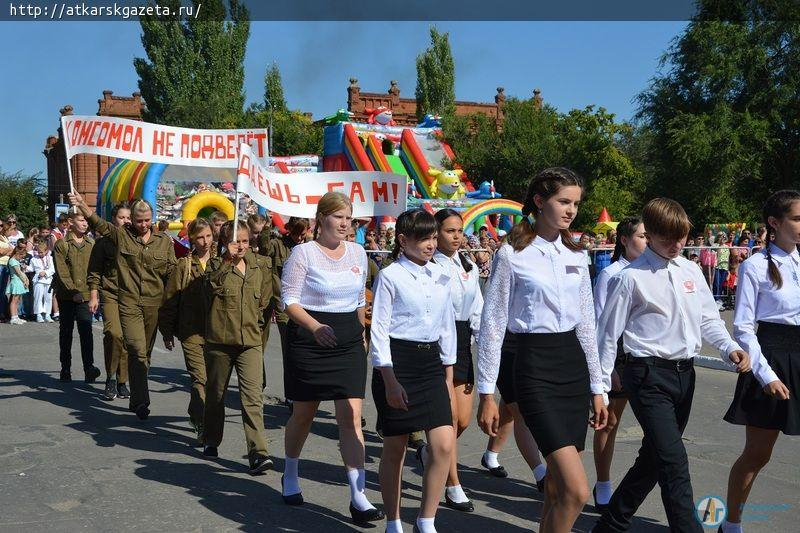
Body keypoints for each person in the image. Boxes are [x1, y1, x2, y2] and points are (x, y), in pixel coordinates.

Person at [593, 198, 751, 533]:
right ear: (648, 234)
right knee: (674, 463)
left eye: (682, 237)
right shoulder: (629, 278)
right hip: (646, 375)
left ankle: (611, 524)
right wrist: (601, 388)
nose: (677, 245)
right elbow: (607, 336)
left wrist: (729, 348)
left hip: (685, 375)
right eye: (668, 238)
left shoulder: (691, 269)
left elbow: (709, 320)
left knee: (654, 458)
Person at [477, 167, 607, 533]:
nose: (570, 210)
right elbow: (492, 324)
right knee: (577, 490)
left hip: (573, 366)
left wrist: (598, 388)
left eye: (575, 204)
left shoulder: (576, 253)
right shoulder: (512, 253)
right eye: (563, 201)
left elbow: (586, 323)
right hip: (533, 366)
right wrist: (487, 393)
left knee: (555, 487)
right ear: (539, 201)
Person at [279, 193, 383, 526]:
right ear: (321, 218)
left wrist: (362, 332)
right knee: (304, 415)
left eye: (349, 218)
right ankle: (291, 472)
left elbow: (357, 299)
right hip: (309, 338)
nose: (344, 224)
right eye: (338, 217)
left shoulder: (357, 252)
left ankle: (358, 495)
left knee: (352, 418)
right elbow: (290, 300)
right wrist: (313, 325)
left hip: (348, 341)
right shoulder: (303, 253)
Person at [370, 208, 456, 533]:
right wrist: (389, 378)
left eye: (434, 237)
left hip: (431, 362)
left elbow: (447, 325)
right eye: (424, 238)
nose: (431, 244)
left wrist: (448, 374)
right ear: (403, 240)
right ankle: (393, 520)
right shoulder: (389, 276)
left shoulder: (441, 275)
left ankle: (426, 519)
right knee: (396, 447)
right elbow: (378, 330)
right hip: (398, 362)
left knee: (444, 444)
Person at [719, 190, 800, 533]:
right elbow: (744, 328)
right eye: (796, 218)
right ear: (774, 222)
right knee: (757, 455)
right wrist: (765, 375)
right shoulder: (755, 266)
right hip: (773, 358)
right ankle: (731, 525)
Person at [68, 192, 176, 420]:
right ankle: (142, 400)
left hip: (153, 306)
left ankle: (135, 399)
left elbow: (172, 274)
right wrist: (83, 206)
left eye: (147, 220)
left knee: (144, 355)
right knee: (136, 350)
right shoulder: (121, 236)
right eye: (138, 221)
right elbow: (100, 225)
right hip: (128, 304)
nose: (143, 224)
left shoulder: (164, 241)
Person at [201, 220, 274, 474]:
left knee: (253, 398)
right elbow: (210, 287)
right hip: (220, 342)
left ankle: (258, 452)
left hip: (250, 342)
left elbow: (264, 302)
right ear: (224, 243)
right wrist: (226, 262)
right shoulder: (214, 265)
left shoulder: (259, 266)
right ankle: (211, 439)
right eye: (235, 242)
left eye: (244, 241)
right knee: (216, 394)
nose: (240, 246)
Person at [428, 209, 483, 512]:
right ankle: (453, 484)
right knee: (447, 419)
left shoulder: (470, 265)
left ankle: (432, 451)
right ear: (436, 232)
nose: (457, 236)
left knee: (462, 420)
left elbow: (477, 306)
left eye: (460, 230)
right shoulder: (430, 266)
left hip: (463, 339)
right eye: (450, 231)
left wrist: (482, 338)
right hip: (439, 340)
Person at [591, 216, 647, 511]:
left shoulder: (653, 269)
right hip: (619, 355)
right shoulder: (611, 274)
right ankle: (603, 483)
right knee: (609, 422)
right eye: (641, 236)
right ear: (624, 240)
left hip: (648, 356)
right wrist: (607, 366)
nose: (647, 241)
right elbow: (600, 322)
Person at [158, 218, 214, 442]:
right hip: (190, 331)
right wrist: (167, 331)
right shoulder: (184, 266)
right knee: (200, 379)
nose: (205, 241)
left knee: (211, 381)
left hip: (215, 332)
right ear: (191, 238)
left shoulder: (219, 263)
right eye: (200, 237)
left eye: (209, 236)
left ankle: (194, 412)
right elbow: (170, 300)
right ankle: (203, 425)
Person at [87, 202, 131, 401]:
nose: (126, 221)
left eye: (129, 218)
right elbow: (95, 271)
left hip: (132, 296)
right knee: (114, 334)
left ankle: (123, 381)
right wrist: (94, 296)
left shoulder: (137, 241)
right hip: (111, 293)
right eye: (122, 217)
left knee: (128, 340)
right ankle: (111, 377)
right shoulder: (103, 243)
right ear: (114, 219)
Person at [52, 211, 101, 383]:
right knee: (66, 333)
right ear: (70, 222)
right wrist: (73, 292)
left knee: (86, 332)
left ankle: (89, 368)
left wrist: (95, 293)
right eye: (81, 220)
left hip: (86, 295)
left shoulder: (91, 243)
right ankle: (65, 368)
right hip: (67, 296)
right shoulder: (62, 244)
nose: (85, 223)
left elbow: (96, 269)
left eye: (86, 221)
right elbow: (62, 272)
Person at [30, 240, 55, 323]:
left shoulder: (50, 258)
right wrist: (25, 267)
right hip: (38, 281)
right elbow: (31, 268)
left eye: (41, 252)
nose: (40, 254)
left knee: (48, 298)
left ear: (46, 251)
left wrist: (45, 273)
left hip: (48, 280)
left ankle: (47, 314)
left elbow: (52, 269)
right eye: (38, 252)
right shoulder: (34, 259)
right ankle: (38, 314)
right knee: (38, 297)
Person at [5, 242, 30, 325]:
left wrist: (26, 280)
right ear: (17, 253)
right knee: (14, 300)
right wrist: (25, 281)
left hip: (19, 282)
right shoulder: (13, 261)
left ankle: (16, 316)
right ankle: (13, 317)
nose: (22, 258)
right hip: (16, 282)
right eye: (21, 256)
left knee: (17, 300)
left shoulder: (16, 261)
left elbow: (22, 272)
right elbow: (19, 273)